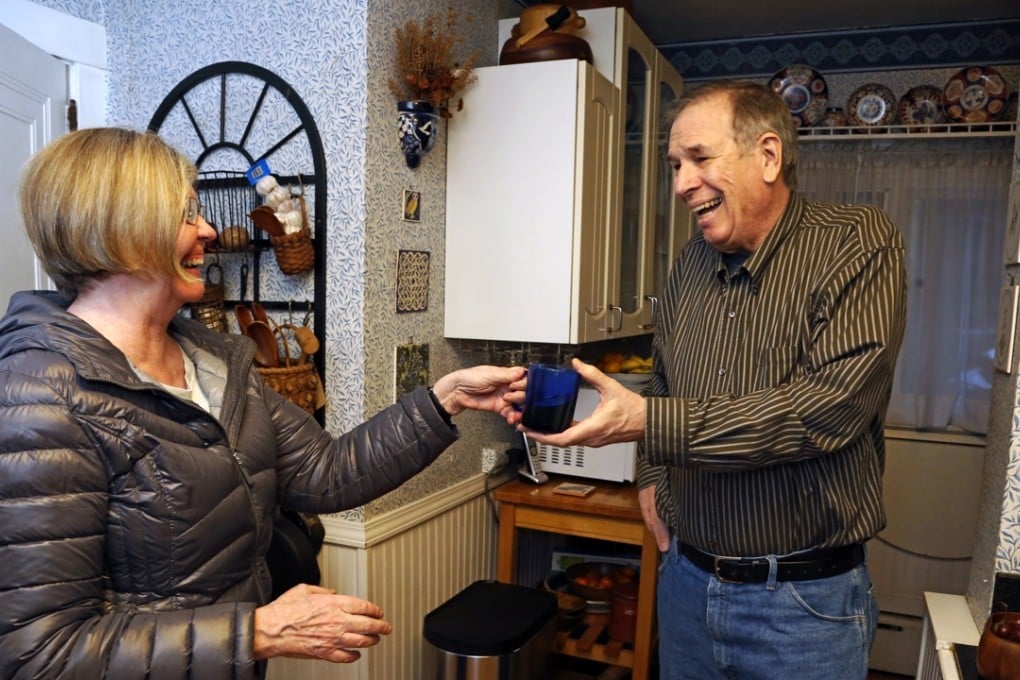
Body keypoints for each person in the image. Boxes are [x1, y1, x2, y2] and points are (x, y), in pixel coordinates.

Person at [0, 127, 524, 679]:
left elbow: (329, 472)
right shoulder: (42, 396)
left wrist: (445, 399)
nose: (205, 230)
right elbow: (41, 654)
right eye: (184, 215)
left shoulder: (216, 358)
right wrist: (258, 631)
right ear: (121, 231)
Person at [515, 81, 907, 679]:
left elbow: (829, 410)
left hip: (802, 607)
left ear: (769, 156)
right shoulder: (689, 263)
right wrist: (649, 474)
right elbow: (664, 380)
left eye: (699, 158)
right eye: (676, 165)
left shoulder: (857, 243)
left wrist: (649, 424)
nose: (680, 184)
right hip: (687, 587)